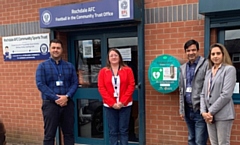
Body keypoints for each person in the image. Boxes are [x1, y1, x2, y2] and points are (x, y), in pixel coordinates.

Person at [35, 39, 78, 145]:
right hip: (50, 105)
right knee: (49, 135)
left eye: (58, 48)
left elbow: (75, 83)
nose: (56, 50)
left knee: (69, 134)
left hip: (67, 104)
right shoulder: (42, 66)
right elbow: (40, 84)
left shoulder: (69, 66)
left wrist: (67, 96)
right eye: (53, 48)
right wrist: (56, 98)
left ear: (62, 50)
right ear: (50, 49)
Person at [200, 43, 236, 145]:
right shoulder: (208, 72)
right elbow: (203, 94)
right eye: (213, 54)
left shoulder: (229, 69)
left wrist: (210, 112)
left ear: (223, 55)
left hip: (223, 115)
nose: (215, 56)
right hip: (209, 116)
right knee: (213, 143)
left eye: (218, 53)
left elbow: (226, 95)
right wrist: (203, 112)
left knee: (223, 143)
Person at [98, 48, 135, 145]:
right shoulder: (103, 71)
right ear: (108, 59)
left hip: (125, 105)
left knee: (124, 130)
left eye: (116, 55)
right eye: (111, 55)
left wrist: (122, 102)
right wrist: (112, 103)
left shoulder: (128, 70)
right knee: (113, 131)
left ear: (119, 57)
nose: (114, 57)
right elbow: (101, 88)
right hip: (109, 106)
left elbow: (131, 86)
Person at [179, 39, 209, 145]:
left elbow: (208, 88)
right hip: (187, 109)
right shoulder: (182, 68)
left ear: (198, 50)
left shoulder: (206, 65)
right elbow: (181, 90)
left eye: (193, 50)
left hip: (200, 109)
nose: (191, 53)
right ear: (185, 52)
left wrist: (204, 109)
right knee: (191, 139)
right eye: (188, 50)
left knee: (199, 141)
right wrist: (181, 109)